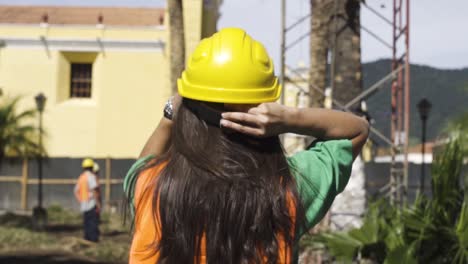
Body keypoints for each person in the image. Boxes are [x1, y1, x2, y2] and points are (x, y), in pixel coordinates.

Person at [124, 28, 369, 263]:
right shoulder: (290, 187)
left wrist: (170, 114)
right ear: (264, 110)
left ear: (186, 109)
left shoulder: (153, 186)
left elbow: (141, 167)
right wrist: (289, 119)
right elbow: (357, 130)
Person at [74, 158, 101, 242]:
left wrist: (81, 201)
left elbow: (76, 191)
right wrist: (98, 204)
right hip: (91, 203)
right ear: (92, 167)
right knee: (92, 223)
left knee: (86, 223)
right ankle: (93, 240)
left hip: (84, 204)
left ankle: (87, 239)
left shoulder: (81, 177)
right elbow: (94, 190)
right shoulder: (91, 177)